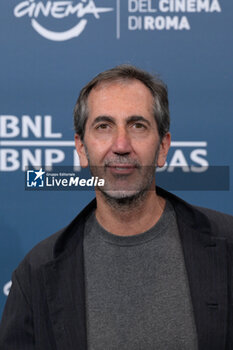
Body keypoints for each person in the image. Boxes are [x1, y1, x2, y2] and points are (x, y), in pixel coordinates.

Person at [0, 65, 232, 350]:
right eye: (103, 127)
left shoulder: (228, 247)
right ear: (82, 149)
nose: (121, 145)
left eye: (137, 125)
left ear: (162, 148)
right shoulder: (35, 274)